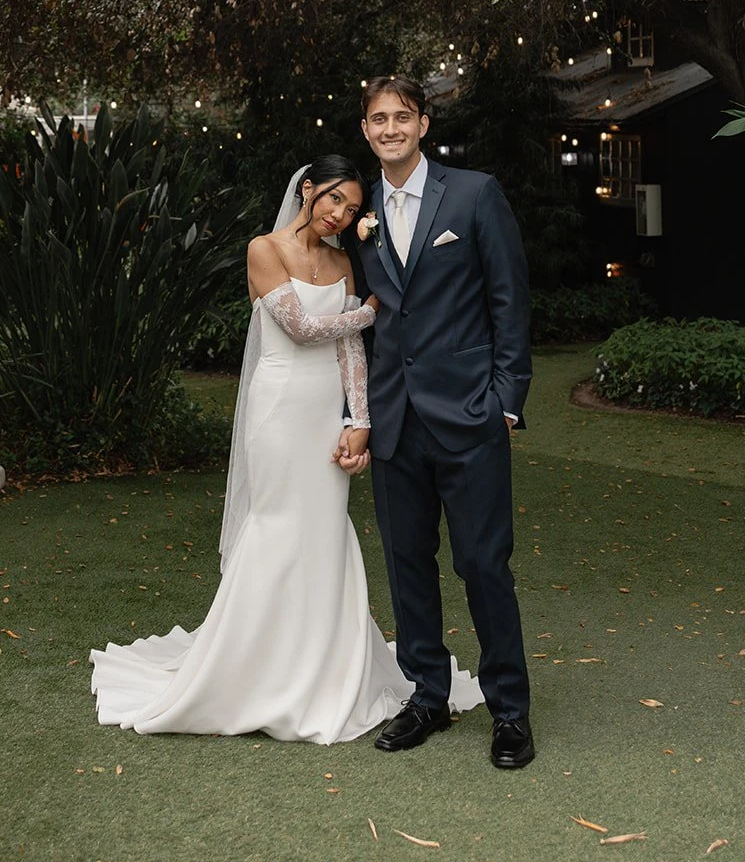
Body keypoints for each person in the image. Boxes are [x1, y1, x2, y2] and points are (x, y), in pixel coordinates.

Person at [89, 153, 481, 744]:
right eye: (333, 199)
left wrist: (359, 419)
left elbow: (349, 353)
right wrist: (370, 311)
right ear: (307, 190)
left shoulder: (344, 261)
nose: (340, 215)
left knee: (325, 529)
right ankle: (253, 670)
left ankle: (324, 665)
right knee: (275, 526)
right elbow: (300, 328)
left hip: (326, 412)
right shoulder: (264, 249)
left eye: (352, 208)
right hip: (278, 410)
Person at [347, 75, 534, 770]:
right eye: (378, 119)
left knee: (483, 564)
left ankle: (509, 711)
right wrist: (357, 412)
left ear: (423, 124)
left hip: (469, 414)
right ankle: (427, 697)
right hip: (394, 417)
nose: (390, 128)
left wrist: (505, 399)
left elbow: (509, 298)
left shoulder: (474, 194)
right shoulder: (358, 210)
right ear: (365, 130)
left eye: (402, 116)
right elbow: (360, 318)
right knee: (406, 566)